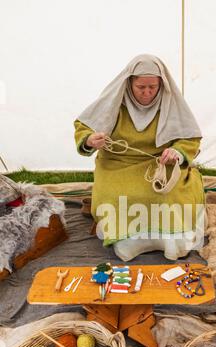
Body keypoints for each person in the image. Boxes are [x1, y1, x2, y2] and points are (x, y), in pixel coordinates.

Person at [74, 54, 205, 261]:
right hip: (117, 164)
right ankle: (128, 244)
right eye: (141, 87)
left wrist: (177, 152)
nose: (147, 93)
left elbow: (190, 140)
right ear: (129, 84)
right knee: (118, 197)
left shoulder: (171, 105)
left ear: (162, 84)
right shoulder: (113, 103)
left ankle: (172, 244)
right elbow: (83, 128)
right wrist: (90, 140)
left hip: (160, 164)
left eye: (153, 87)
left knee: (167, 195)